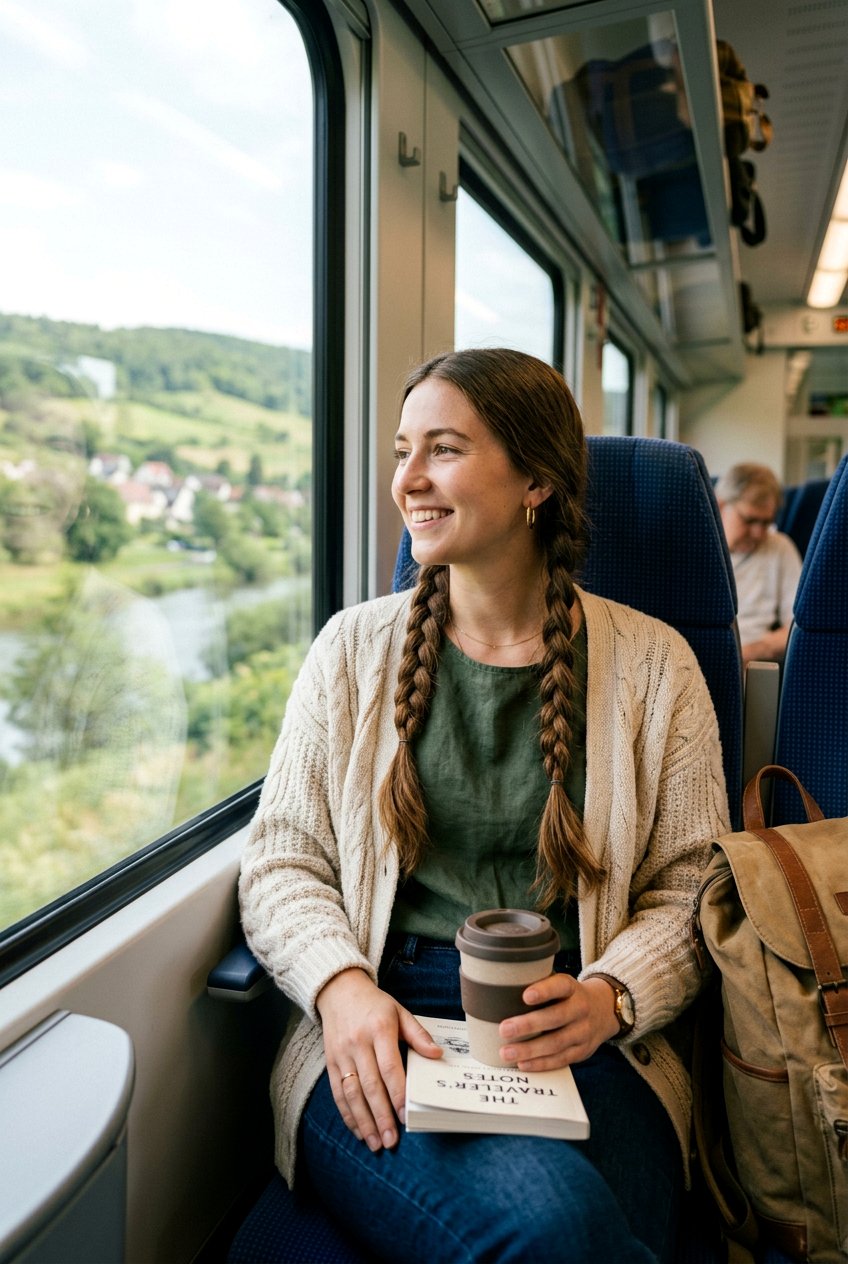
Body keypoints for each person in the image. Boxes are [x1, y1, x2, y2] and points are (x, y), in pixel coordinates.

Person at [239, 348, 730, 1263]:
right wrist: (341, 990)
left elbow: (696, 890)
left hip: (584, 1026)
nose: (408, 480)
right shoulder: (351, 650)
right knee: (555, 1229)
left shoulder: (657, 665)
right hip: (389, 1016)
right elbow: (282, 860)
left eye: (444, 450)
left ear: (536, 481)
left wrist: (612, 998)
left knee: (578, 1231)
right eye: (403, 452)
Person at [715, 463, 802, 665]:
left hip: (752, 663)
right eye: (750, 520)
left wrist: (745, 654)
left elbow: (798, 625)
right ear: (721, 506)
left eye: (766, 523)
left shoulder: (780, 547)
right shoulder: (693, 547)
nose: (758, 533)